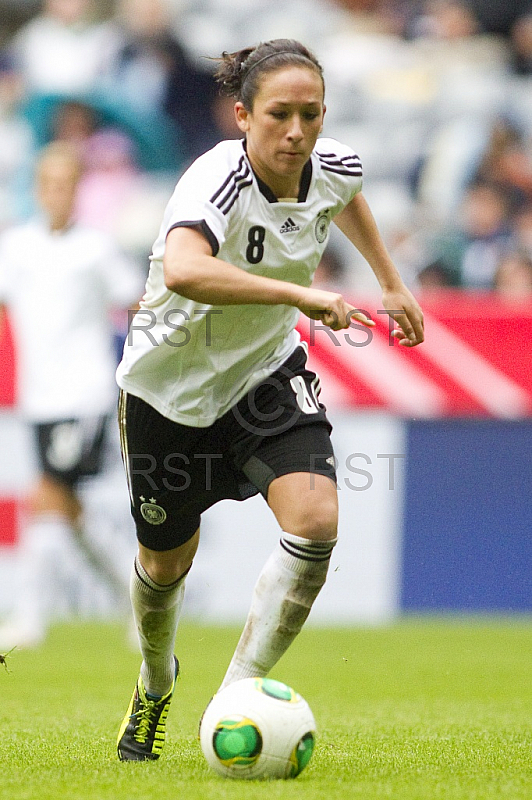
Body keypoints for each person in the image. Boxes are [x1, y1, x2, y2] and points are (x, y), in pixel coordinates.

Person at [115, 38, 424, 762]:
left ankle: (234, 695)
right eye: (279, 115)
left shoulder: (334, 161)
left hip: (264, 376)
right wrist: (298, 293)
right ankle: (156, 683)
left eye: (310, 115)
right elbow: (188, 270)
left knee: (315, 521)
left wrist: (390, 279)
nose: (296, 131)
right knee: (164, 567)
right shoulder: (214, 178)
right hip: (168, 392)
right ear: (242, 116)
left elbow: (345, 194)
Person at [0, 141, 142, 648]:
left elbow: (136, 300)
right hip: (39, 398)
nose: (58, 193)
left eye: (67, 183)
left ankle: (29, 618)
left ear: (79, 189)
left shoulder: (96, 249)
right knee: (69, 511)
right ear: (38, 189)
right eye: (49, 183)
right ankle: (140, 600)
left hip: (83, 395)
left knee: (48, 496)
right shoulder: (17, 248)